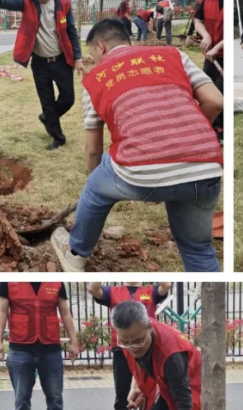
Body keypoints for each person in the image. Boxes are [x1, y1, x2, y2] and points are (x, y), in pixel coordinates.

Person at [49, 19, 223, 272]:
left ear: (100, 46)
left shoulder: (96, 79)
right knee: (197, 248)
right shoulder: (174, 55)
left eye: (92, 54)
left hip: (140, 171)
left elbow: (93, 150)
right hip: (205, 167)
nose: (94, 61)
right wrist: (179, 140)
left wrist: (99, 186)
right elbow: (215, 101)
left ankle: (75, 253)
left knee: (95, 186)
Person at [0, 0, 84, 151]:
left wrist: (78, 58)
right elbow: (3, 1)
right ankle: (58, 137)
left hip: (61, 60)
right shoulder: (27, 0)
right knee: (47, 102)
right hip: (40, 63)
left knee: (68, 98)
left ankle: (47, 118)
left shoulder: (63, 4)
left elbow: (71, 32)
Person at [0, 282, 78, 410]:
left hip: (50, 349)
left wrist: (73, 341)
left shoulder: (56, 282)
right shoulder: (8, 282)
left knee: (55, 397)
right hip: (20, 349)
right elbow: (2, 311)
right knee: (22, 398)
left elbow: (65, 312)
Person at [88, 281, 172, 410]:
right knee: (122, 394)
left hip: (146, 350)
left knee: (146, 392)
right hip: (121, 349)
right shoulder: (112, 292)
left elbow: (166, 286)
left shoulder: (151, 291)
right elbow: (93, 289)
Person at [194, 0, 225, 143]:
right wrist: (206, 36)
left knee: (220, 92)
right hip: (210, 56)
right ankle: (207, 126)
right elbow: (198, 21)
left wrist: (218, 47)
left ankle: (220, 129)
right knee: (205, 89)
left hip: (224, 56)